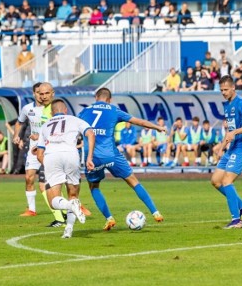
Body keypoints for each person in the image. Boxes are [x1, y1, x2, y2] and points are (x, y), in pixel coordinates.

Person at [78, 88, 165, 231]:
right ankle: (156, 213)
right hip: (111, 154)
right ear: (109, 99)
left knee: (94, 187)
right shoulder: (113, 110)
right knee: (133, 180)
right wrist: (156, 127)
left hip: (92, 156)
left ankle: (109, 218)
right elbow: (139, 121)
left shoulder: (83, 112)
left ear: (96, 97)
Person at [36, 99, 96, 239]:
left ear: (51, 112)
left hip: (51, 156)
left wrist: (49, 165)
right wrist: (89, 158)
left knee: (54, 200)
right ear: (65, 110)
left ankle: (69, 216)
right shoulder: (75, 119)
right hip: (71, 154)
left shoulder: (45, 125)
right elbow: (90, 134)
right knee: (73, 196)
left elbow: (39, 154)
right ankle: (68, 229)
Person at [13, 82, 67, 227]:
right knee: (31, 178)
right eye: (39, 93)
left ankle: (65, 212)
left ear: (51, 93)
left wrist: (41, 139)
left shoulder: (54, 109)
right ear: (34, 94)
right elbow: (19, 123)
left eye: (44, 93)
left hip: (49, 150)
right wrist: (16, 135)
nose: (41, 96)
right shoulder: (28, 109)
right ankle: (35, 210)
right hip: (36, 150)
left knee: (47, 184)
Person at [210, 75, 242, 229]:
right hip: (231, 148)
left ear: (233, 88)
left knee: (227, 181)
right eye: (221, 90)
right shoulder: (227, 105)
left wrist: (235, 132)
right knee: (216, 181)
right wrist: (221, 146)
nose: (223, 92)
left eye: (226, 89)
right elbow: (230, 131)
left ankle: (236, 220)